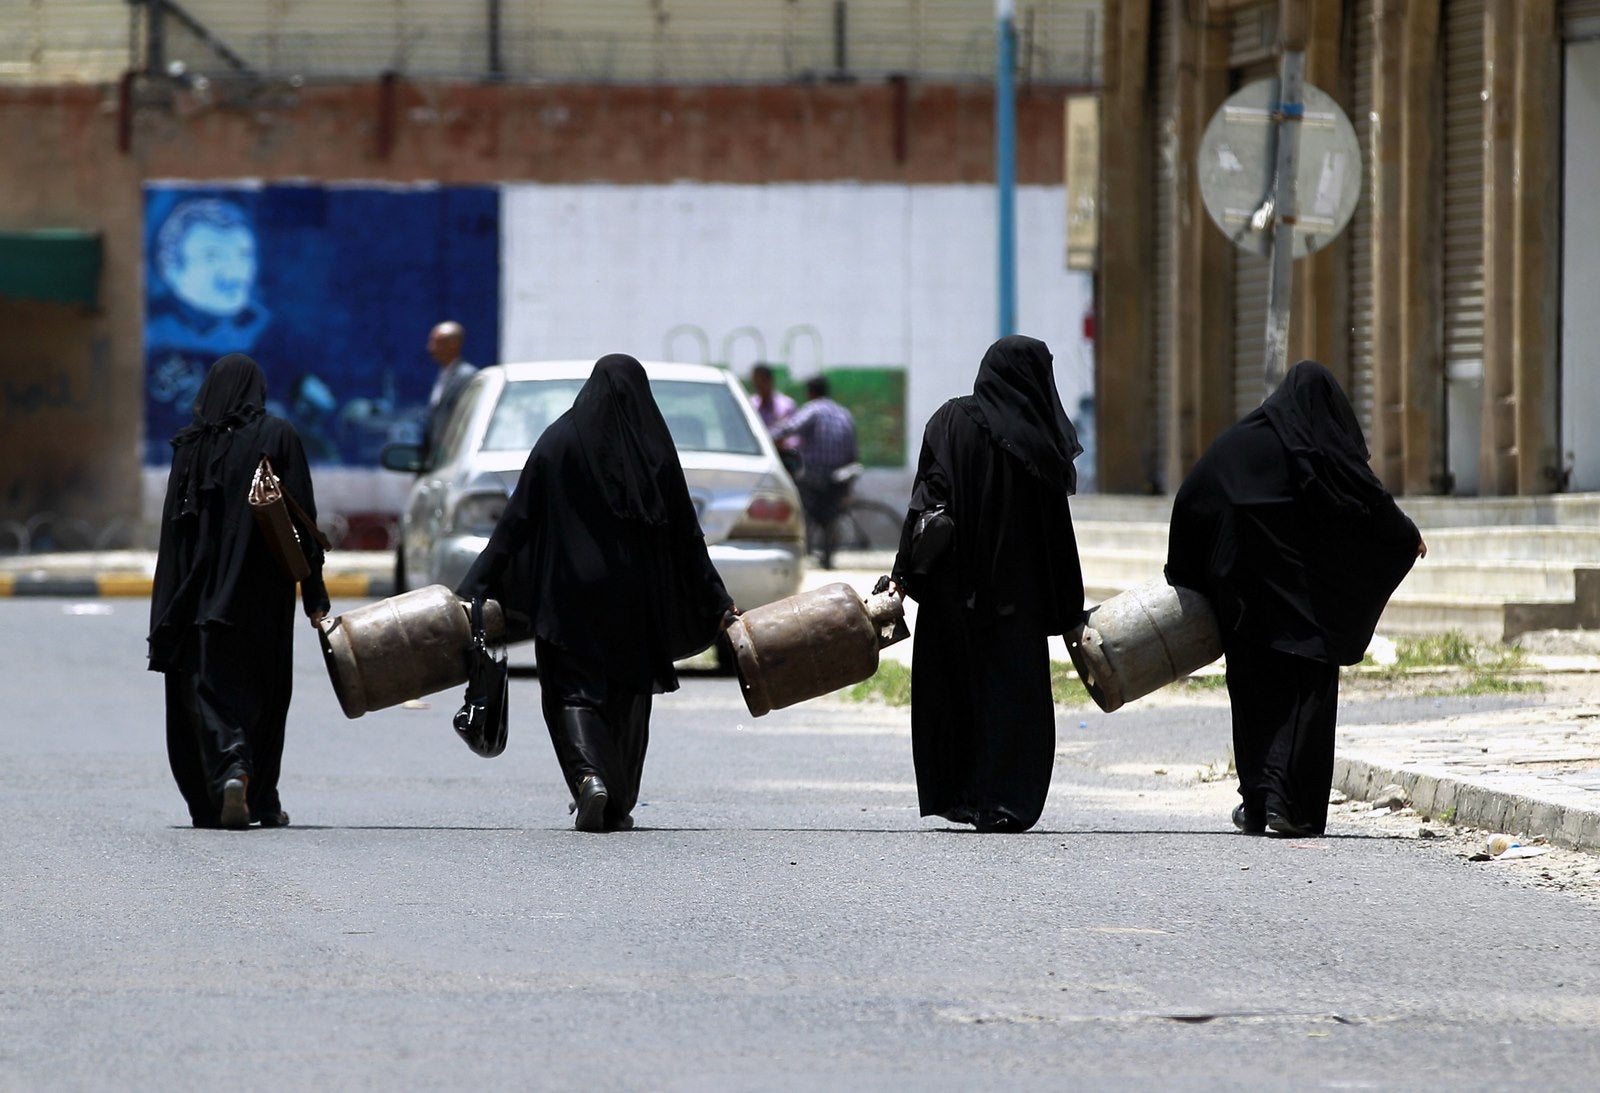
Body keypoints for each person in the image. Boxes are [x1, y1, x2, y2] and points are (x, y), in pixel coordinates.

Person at [456, 353, 738, 833]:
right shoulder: (655, 449)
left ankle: (589, 779)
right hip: (635, 597)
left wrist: (473, 587)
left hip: (568, 593)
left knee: (572, 694)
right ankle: (619, 798)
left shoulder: (559, 440)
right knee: (629, 694)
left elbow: (515, 522)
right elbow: (688, 537)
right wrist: (718, 601)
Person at [1165, 359, 1426, 838]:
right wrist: (1407, 537)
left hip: (1243, 606)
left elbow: (1193, 497)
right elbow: (1369, 503)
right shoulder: (1324, 453)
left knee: (1252, 697)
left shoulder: (1240, 442)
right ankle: (1290, 807)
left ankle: (1259, 801)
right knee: (1304, 698)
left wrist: (1183, 572)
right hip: (1304, 612)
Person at [886, 335, 1085, 833]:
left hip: (951, 594)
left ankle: (961, 795)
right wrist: (1067, 607)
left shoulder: (949, 421)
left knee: (953, 693)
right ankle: (1005, 801)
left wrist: (905, 576)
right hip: (1014, 602)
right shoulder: (1038, 437)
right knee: (1011, 700)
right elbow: (1055, 535)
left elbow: (925, 506)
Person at [147, 353, 330, 830]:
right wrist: (315, 594)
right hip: (264, 598)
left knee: (205, 693)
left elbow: (173, 536)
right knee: (267, 694)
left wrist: (167, 610)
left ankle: (226, 777)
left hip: (199, 598)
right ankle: (261, 797)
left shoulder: (190, 446)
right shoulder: (278, 437)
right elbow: (302, 523)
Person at [770, 375, 858, 568]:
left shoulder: (813, 410)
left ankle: (803, 544)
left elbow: (789, 427)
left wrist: (766, 438)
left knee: (797, 497)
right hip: (841, 474)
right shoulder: (843, 413)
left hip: (816, 474)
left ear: (811, 392)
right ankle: (827, 546)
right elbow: (853, 451)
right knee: (830, 510)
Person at [421, 320, 478, 461]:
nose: (431, 348)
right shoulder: (444, 374)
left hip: (452, 457)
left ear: (453, 345)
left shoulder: (465, 376)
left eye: (437, 343)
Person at [748, 362, 798, 451]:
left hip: (782, 453)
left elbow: (795, 436)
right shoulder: (751, 404)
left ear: (770, 380)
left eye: (762, 381)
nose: (758, 385)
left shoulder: (786, 405)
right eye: (755, 381)